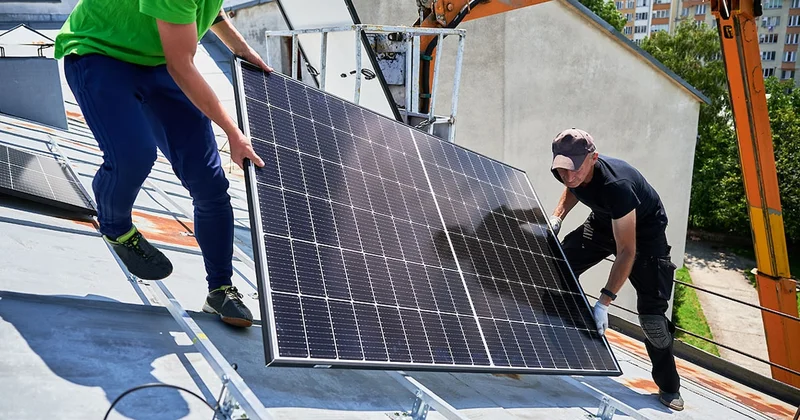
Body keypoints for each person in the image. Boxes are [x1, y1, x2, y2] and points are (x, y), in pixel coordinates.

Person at [53, 0, 270, 327]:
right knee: (133, 155)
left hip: (159, 63)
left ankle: (221, 289)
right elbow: (182, 66)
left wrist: (241, 50)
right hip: (101, 52)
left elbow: (211, 10)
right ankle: (116, 228)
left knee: (210, 182)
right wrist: (233, 133)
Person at [547, 128, 684, 411]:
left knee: (653, 320)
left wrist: (604, 302)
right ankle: (569, 347)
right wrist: (557, 216)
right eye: (562, 169)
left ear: (593, 158)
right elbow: (572, 186)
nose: (569, 176)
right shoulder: (575, 171)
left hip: (644, 238)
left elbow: (627, 251)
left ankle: (669, 387)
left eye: (574, 169)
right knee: (557, 268)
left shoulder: (617, 185)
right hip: (604, 221)